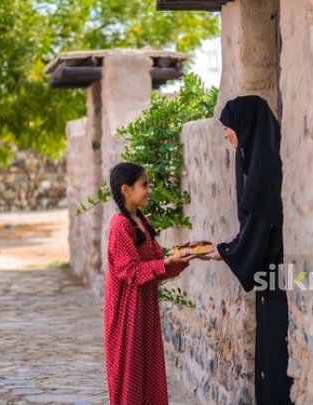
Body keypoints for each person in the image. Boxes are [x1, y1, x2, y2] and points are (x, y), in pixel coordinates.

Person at [205, 95, 292, 404]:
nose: (226, 133)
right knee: (270, 351)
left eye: (229, 126)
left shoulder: (266, 166)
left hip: (280, 275)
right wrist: (232, 247)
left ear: (246, 125)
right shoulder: (256, 158)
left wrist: (228, 251)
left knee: (278, 352)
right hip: (272, 274)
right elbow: (255, 221)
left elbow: (261, 220)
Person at [104, 162, 196, 405]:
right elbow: (130, 271)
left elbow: (156, 266)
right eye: (144, 185)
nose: (149, 190)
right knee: (131, 380)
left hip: (144, 309)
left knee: (150, 375)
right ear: (126, 189)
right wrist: (167, 261)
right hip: (127, 313)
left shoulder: (140, 220)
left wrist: (185, 255)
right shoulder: (120, 225)